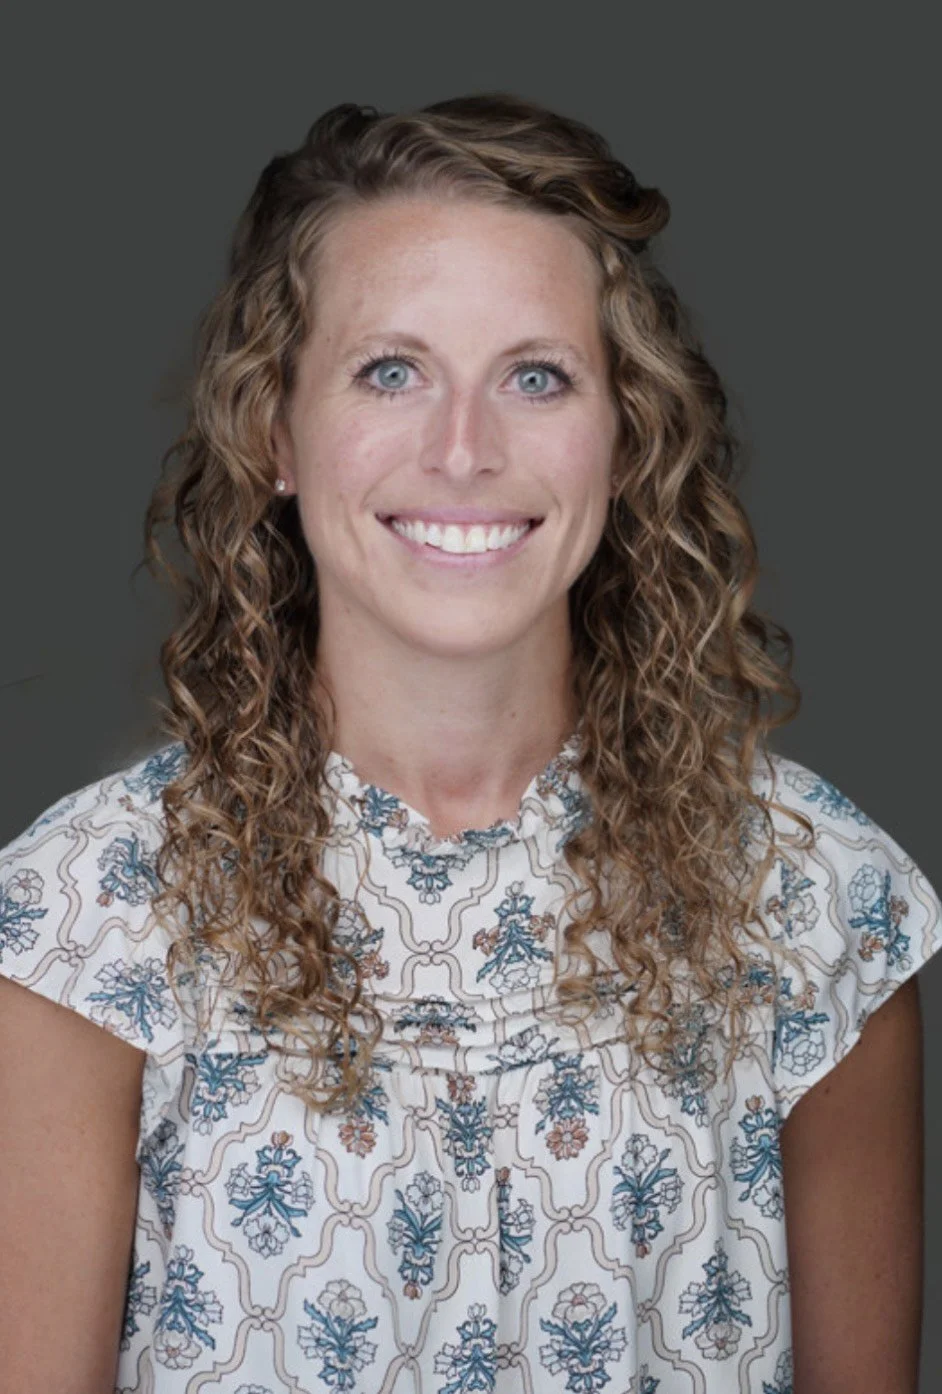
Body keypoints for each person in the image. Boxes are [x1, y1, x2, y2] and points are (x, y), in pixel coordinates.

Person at [0, 93, 937, 1394]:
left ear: (624, 433)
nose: (461, 450)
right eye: (390, 371)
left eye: (535, 375)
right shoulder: (82, 924)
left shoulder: (815, 900)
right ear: (273, 429)